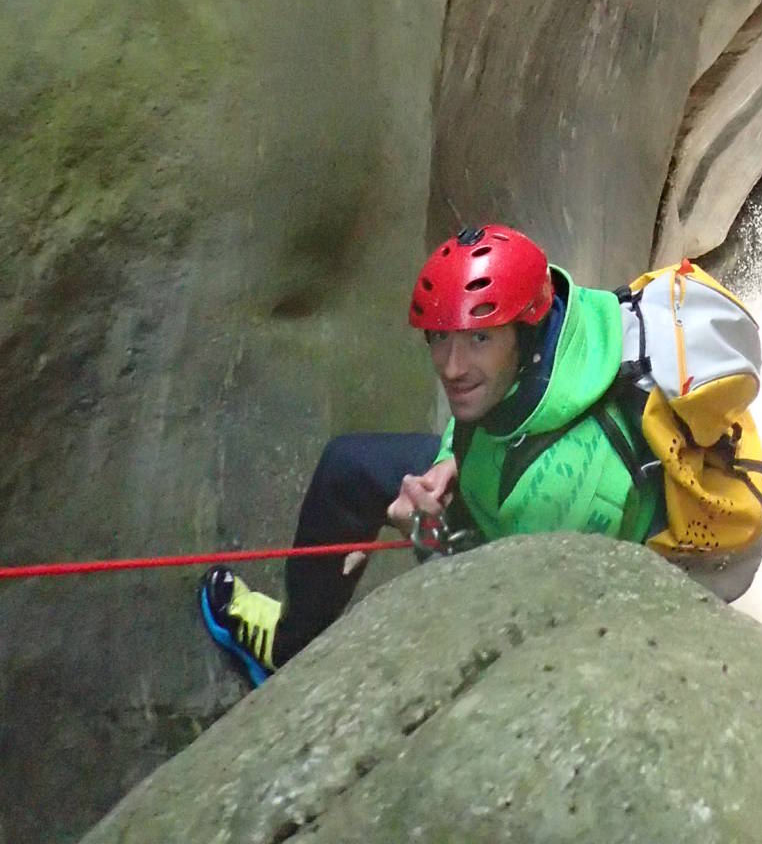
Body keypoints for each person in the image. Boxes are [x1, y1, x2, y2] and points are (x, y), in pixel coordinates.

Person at [199, 224, 659, 685]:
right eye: (440, 337)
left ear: (526, 332)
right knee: (349, 469)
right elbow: (491, 411)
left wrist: (427, 535)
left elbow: (501, 620)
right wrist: (449, 458)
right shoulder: (557, 334)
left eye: (479, 339)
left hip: (564, 577)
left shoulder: (563, 493)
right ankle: (289, 646)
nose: (453, 367)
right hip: (504, 481)